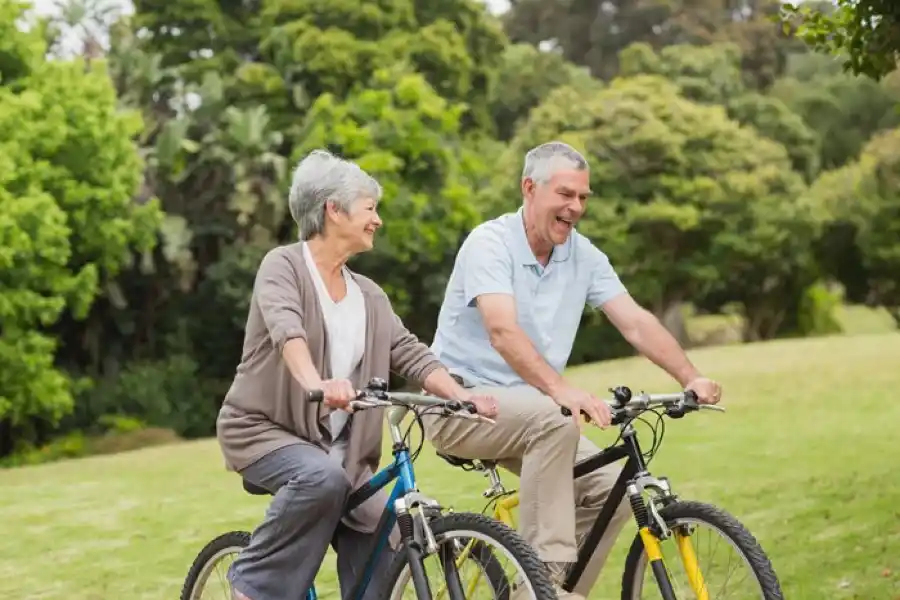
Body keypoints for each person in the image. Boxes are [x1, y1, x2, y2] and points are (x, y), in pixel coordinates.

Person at [422, 141, 723, 599]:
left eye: (583, 197)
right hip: (457, 403)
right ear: (529, 188)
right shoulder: (490, 243)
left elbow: (636, 323)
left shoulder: (583, 256)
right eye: (565, 194)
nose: (575, 207)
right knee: (554, 418)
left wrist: (690, 377)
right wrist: (561, 390)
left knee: (611, 488)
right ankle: (540, 584)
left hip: (530, 414)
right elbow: (502, 331)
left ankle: (539, 593)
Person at [216, 149, 498, 600]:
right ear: (333, 208)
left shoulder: (369, 294)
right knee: (321, 479)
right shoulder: (283, 267)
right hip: (264, 431)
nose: (378, 220)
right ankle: (251, 586)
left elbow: (409, 353)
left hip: (346, 456)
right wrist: (316, 384)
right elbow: (288, 331)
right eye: (370, 208)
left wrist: (461, 395)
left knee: (379, 557)